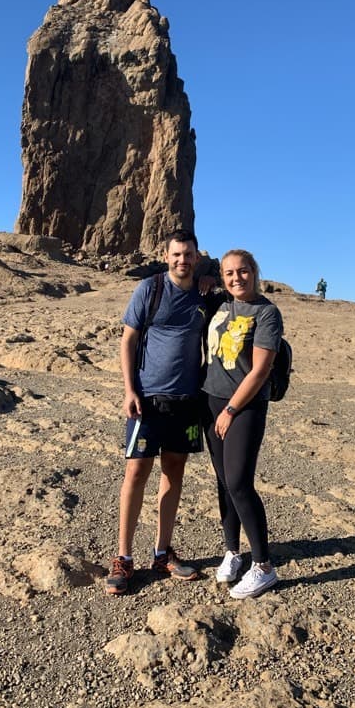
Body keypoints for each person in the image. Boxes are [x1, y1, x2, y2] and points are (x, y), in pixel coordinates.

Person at [105, 229, 209, 596]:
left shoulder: (204, 293)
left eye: (189, 254)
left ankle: (163, 553)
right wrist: (129, 389)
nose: (183, 260)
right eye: (176, 254)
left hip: (186, 401)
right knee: (136, 471)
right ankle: (123, 558)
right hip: (147, 399)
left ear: (197, 257)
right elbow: (128, 339)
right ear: (166, 256)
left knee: (174, 472)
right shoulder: (150, 289)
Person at [202, 249, 283, 599]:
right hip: (210, 401)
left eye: (243, 271)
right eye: (229, 272)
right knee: (223, 482)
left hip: (244, 406)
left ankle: (264, 566)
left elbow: (261, 370)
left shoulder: (267, 313)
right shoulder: (221, 303)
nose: (237, 278)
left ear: (255, 272)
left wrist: (231, 410)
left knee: (238, 482)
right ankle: (232, 552)